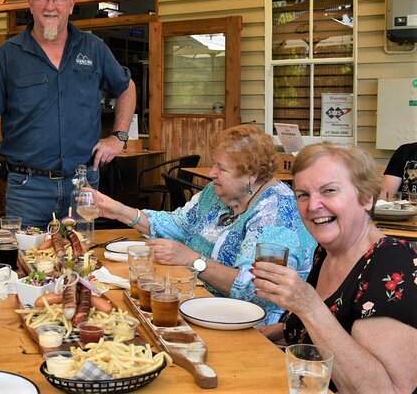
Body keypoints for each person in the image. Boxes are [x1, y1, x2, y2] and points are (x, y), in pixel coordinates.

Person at [0, 0, 136, 233]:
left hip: (83, 186)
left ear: (71, 4)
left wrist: (118, 137)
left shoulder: (94, 49)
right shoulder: (7, 56)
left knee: (80, 264)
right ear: (29, 3)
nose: (50, 6)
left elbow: (126, 88)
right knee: (23, 267)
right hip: (26, 189)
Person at [87, 125, 316, 324]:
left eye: (222, 168)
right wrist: (116, 210)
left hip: (250, 326)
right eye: (213, 163)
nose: (212, 173)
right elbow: (177, 224)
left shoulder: (277, 213)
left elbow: (255, 290)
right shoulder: (216, 193)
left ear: (252, 175)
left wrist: (194, 260)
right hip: (200, 303)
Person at [254, 143, 417, 394]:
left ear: (366, 198)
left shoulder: (392, 264)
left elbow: (385, 390)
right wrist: (258, 334)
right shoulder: (328, 252)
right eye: (303, 194)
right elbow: (309, 333)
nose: (312, 205)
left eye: (329, 191)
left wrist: (308, 305)